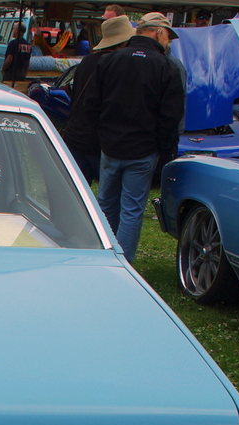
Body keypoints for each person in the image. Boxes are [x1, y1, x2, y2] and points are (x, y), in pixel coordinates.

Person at [78, 11, 183, 263]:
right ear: (158, 32)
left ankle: (100, 255)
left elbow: (91, 105)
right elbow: (171, 116)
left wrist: (102, 137)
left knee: (105, 205)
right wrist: (164, 149)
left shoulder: (110, 60)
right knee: (131, 210)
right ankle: (122, 264)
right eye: (167, 36)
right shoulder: (166, 66)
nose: (168, 41)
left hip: (110, 146)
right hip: (142, 150)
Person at [59, 14, 133, 183]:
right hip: (98, 141)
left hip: (75, 135)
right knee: (107, 192)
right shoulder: (116, 64)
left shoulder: (87, 61)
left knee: (78, 188)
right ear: (124, 42)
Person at [0, 22, 31, 88]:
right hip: (21, 73)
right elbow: (27, 62)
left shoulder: (13, 43)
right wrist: (24, 73)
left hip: (11, 73)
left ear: (17, 30)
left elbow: (9, 59)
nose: (12, 31)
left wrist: (3, 69)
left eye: (13, 29)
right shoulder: (28, 45)